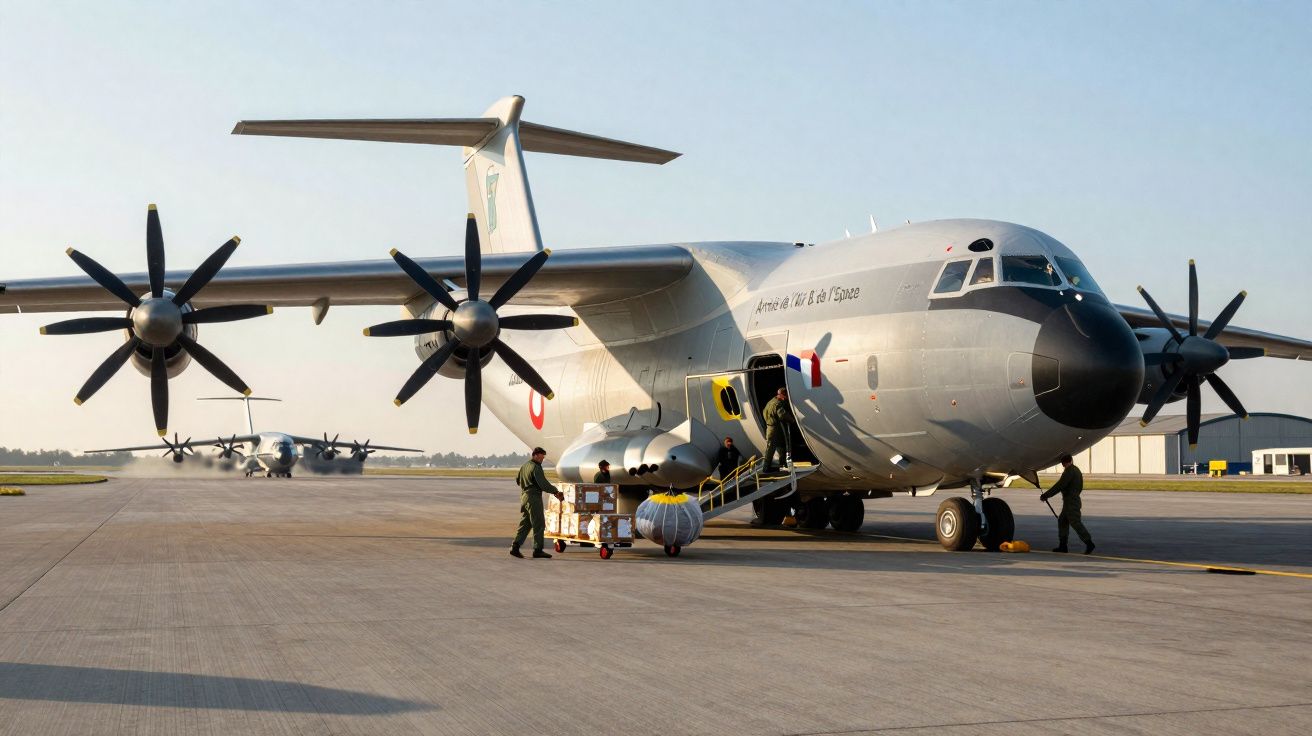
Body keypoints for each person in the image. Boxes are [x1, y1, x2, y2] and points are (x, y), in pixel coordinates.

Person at [511, 447, 564, 559]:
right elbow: (543, 483)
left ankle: (515, 547)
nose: (542, 459)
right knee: (539, 523)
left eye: (543, 457)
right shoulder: (536, 467)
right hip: (533, 497)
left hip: (525, 496)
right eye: (541, 456)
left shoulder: (525, 466)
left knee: (526, 523)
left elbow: (518, 480)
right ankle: (537, 550)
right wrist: (556, 491)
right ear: (535, 455)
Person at [1040, 454, 1095, 554]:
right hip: (1070, 500)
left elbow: (1060, 485)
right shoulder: (1076, 470)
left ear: (1063, 463)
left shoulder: (1069, 472)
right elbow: (1079, 486)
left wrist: (1046, 495)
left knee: (1075, 522)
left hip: (1071, 502)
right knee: (1062, 521)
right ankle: (1063, 546)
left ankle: (1089, 543)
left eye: (1062, 463)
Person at [762, 387, 793, 474]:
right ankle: (766, 468)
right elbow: (782, 415)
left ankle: (783, 465)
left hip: (770, 427)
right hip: (774, 428)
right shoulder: (778, 404)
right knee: (771, 449)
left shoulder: (771, 401)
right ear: (782, 395)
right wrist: (792, 420)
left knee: (780, 446)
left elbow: (764, 412)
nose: (786, 398)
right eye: (785, 396)